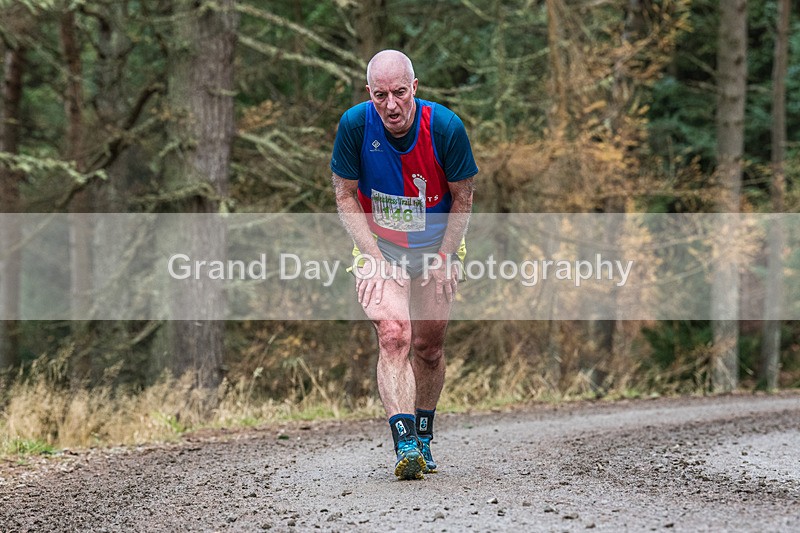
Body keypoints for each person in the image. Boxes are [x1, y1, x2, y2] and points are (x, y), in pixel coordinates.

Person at [331, 50, 478, 480]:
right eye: (380, 96)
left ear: (415, 88)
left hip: (437, 245)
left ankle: (425, 434)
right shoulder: (355, 125)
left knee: (428, 346)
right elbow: (344, 196)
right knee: (394, 334)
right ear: (368, 94)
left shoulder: (446, 127)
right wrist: (374, 260)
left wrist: (446, 257)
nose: (391, 105)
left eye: (399, 93)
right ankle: (406, 442)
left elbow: (464, 198)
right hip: (382, 246)